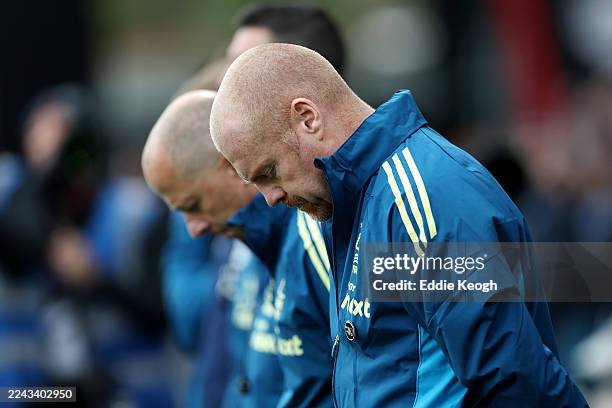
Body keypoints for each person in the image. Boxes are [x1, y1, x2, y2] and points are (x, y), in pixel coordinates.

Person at [209, 43, 590, 407]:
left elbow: (515, 380)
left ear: (307, 118)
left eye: (268, 172)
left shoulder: (421, 199)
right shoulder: (355, 204)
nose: (269, 197)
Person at [142, 90, 333, 407]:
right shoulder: (245, 250)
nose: (194, 228)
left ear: (230, 165)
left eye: (194, 204)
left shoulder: (322, 236)